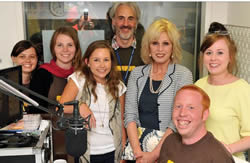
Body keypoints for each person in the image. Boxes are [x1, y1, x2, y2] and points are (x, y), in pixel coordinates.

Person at [124, 18, 193, 163]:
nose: (160, 49)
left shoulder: (183, 75)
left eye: (166, 44)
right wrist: (138, 153)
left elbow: (179, 120)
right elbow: (130, 115)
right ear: (148, 47)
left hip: (170, 150)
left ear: (173, 47)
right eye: (155, 43)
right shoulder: (137, 74)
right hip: (139, 151)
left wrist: (154, 154)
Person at [59, 40, 126, 163]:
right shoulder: (78, 79)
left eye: (106, 60)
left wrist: (123, 154)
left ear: (111, 62)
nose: (102, 65)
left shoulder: (118, 86)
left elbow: (121, 120)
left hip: (112, 151)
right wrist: (80, 106)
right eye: (96, 60)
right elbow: (61, 107)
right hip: (86, 152)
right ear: (87, 62)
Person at [195, 22, 250, 160]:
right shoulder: (198, 86)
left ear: (230, 57)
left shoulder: (242, 89)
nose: (213, 58)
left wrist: (227, 149)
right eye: (209, 52)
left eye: (220, 52)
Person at [158, 84, 235, 163]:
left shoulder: (218, 157)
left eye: (191, 107)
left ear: (205, 115)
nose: (182, 113)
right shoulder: (170, 141)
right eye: (178, 106)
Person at [29, 26, 82, 113]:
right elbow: (35, 111)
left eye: (70, 45)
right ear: (53, 48)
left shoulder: (81, 74)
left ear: (76, 48)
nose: (65, 50)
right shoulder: (42, 74)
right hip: (50, 124)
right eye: (60, 45)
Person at [109, 2, 145, 84]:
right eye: (121, 18)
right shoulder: (102, 50)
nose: (125, 24)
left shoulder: (147, 50)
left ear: (136, 22)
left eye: (130, 18)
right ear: (113, 21)